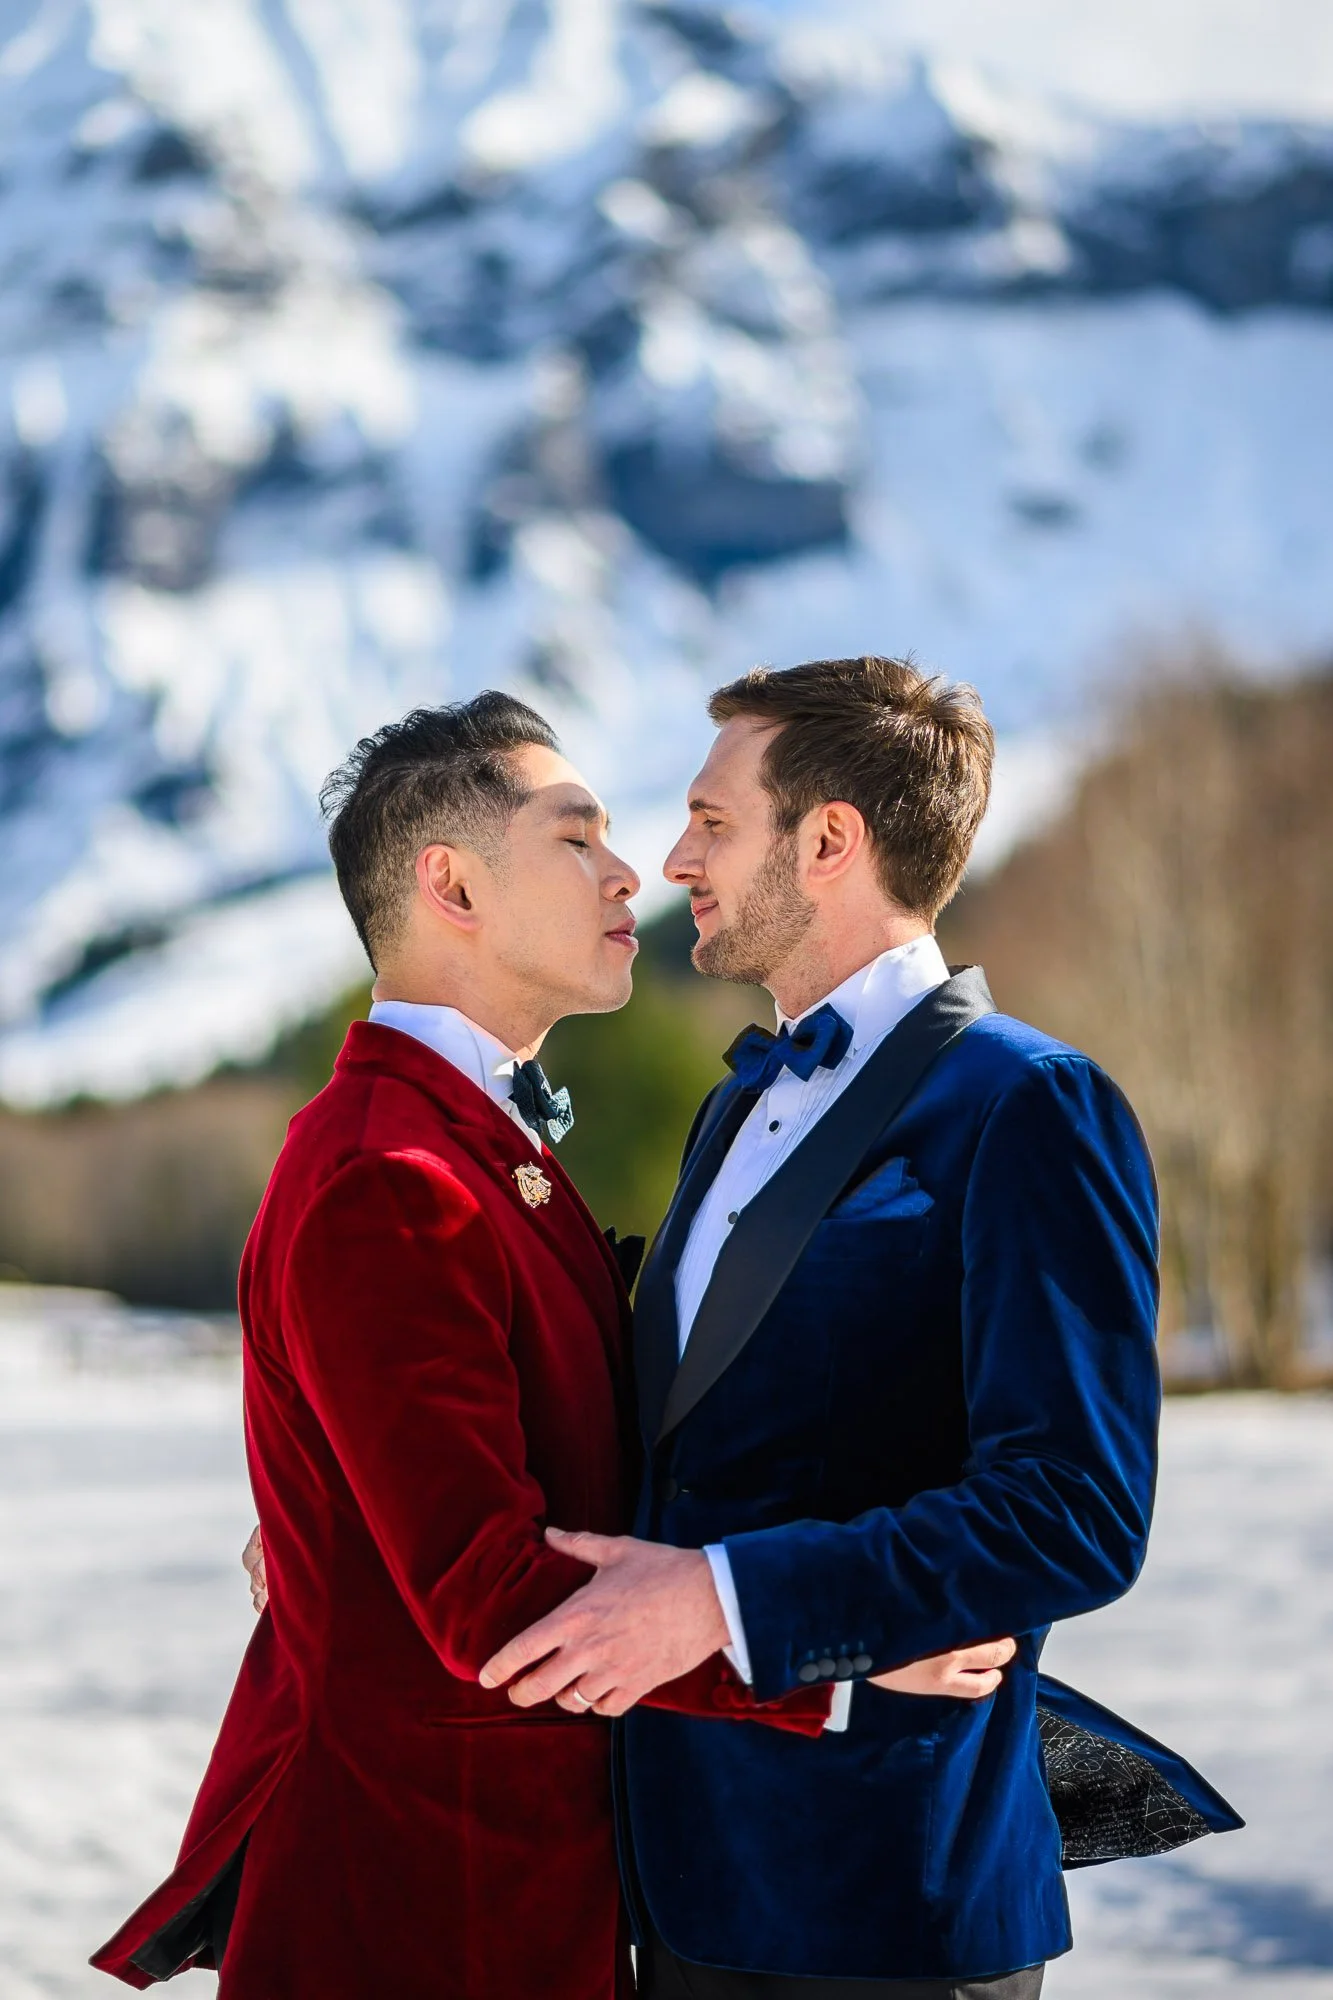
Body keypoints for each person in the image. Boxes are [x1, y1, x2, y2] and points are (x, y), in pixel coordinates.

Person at [92, 692, 1011, 2000]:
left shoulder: (481, 1154)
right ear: (451, 885)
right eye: (576, 838)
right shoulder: (387, 1181)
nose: (631, 869)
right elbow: (494, 1603)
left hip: (531, 1897)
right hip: (427, 1919)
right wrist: (829, 1655)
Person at [481, 656, 1241, 1999]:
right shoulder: (734, 1113)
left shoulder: (1030, 1107)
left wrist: (727, 1600)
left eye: (714, 822)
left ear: (830, 839)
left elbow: (1071, 1508)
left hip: (890, 1893)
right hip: (683, 1878)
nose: (671, 859)